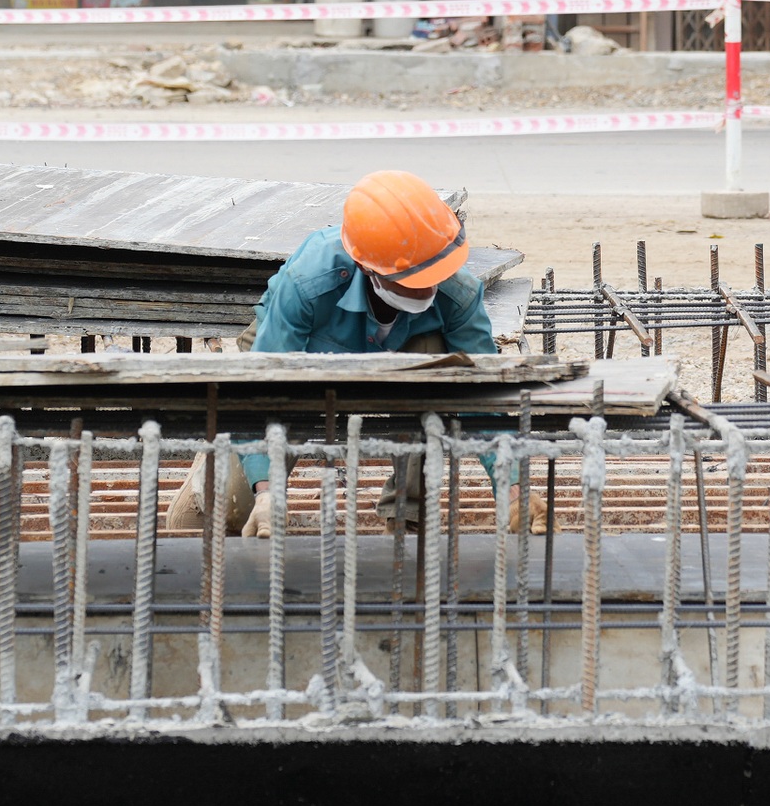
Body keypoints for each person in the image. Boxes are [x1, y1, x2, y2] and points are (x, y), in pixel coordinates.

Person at [166, 170, 546, 537]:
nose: (428, 286)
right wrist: (265, 491)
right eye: (412, 279)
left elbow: (482, 397)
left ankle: (406, 517)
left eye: (433, 274)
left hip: (399, 356)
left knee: (440, 366)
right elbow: (260, 389)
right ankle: (227, 469)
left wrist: (514, 487)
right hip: (294, 353)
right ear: (368, 267)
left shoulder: (457, 294)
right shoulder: (309, 281)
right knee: (225, 514)